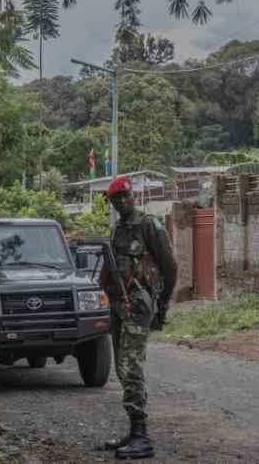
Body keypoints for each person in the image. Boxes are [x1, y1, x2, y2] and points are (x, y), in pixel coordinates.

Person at [100, 176, 177, 460]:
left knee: (131, 368)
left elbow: (170, 268)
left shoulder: (149, 225)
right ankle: (133, 433)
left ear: (133, 196)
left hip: (139, 306)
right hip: (119, 306)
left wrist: (163, 306)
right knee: (122, 370)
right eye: (116, 199)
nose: (122, 202)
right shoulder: (118, 228)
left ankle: (142, 437)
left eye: (125, 197)